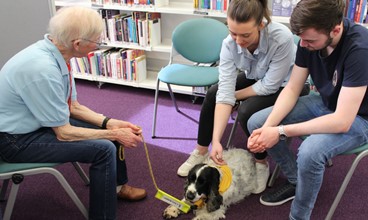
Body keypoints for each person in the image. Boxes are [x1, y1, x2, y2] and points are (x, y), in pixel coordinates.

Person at [246, 0, 368, 219]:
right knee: (256, 122)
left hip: (363, 118)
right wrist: (267, 128)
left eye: (309, 40)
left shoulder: (360, 48)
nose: (302, 45)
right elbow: (293, 88)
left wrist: (280, 132)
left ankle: (299, 216)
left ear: (336, 29)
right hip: (326, 103)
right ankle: (297, 180)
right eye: (301, 38)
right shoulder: (308, 40)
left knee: (310, 152)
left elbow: (342, 121)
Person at [0, 6, 147, 220]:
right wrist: (113, 134)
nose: (99, 44)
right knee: (105, 148)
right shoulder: (43, 69)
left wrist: (110, 123)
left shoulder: (57, 54)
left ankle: (117, 188)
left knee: (110, 132)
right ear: (78, 44)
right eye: (97, 41)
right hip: (14, 141)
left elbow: (72, 107)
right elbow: (64, 133)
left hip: (36, 123)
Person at [177, 0, 308, 194]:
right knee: (214, 92)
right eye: (233, 33)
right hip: (257, 76)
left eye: (246, 35)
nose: (238, 40)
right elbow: (224, 92)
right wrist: (217, 141)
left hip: (287, 85)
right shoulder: (228, 44)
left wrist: (234, 96)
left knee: (247, 110)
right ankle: (202, 150)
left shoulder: (281, 37)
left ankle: (261, 162)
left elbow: (269, 86)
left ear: (261, 25)